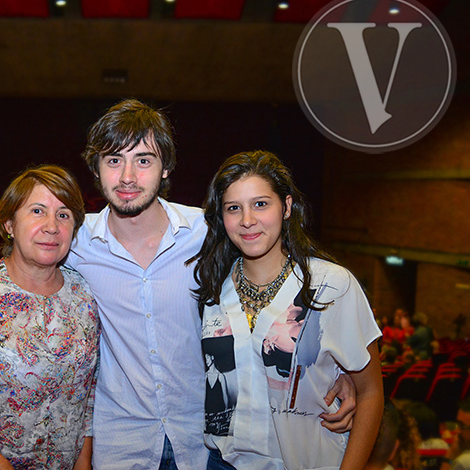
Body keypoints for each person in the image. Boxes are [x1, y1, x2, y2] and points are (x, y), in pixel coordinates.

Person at [66, 100, 357, 469]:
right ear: (96, 168)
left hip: (202, 444)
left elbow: (291, 273)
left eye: (143, 160)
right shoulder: (75, 243)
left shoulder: (207, 233)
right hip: (121, 442)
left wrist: (342, 370)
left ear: (166, 167)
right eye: (113, 160)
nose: (127, 176)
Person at [192, 150, 383, 469]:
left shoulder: (330, 285)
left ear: (287, 207)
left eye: (261, 204)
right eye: (233, 208)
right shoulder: (214, 287)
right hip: (223, 462)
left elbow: (371, 393)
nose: (247, 220)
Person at [0, 165, 99, 469]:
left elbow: (88, 392)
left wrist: (84, 461)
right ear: (9, 223)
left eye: (64, 215)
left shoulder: (83, 296)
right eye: (37, 211)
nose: (52, 226)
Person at [441, 399, 470, 470]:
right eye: (458, 424)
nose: (457, 431)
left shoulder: (464, 461)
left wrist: (449, 457)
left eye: (462, 425)